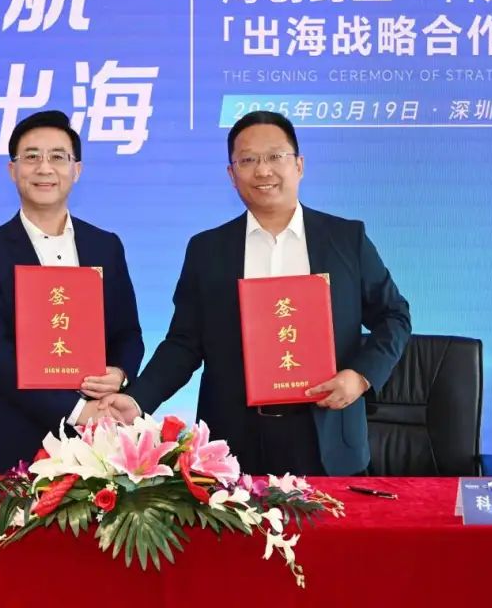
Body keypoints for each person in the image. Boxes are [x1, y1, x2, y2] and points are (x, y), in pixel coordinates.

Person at [101, 111, 410, 476]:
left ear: (299, 165)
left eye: (275, 156)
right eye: (247, 160)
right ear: (232, 175)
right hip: (235, 441)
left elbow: (394, 317)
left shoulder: (346, 239)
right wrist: (138, 399)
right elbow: (184, 344)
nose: (263, 170)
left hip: (327, 436)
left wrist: (360, 376)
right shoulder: (207, 250)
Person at [0, 110, 143, 472]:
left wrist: (120, 373)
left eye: (58, 157)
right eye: (31, 157)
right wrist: (78, 411)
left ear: (77, 170)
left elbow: (128, 332)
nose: (44, 168)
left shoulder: (106, 246)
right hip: (18, 441)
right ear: (13, 170)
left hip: (102, 441)